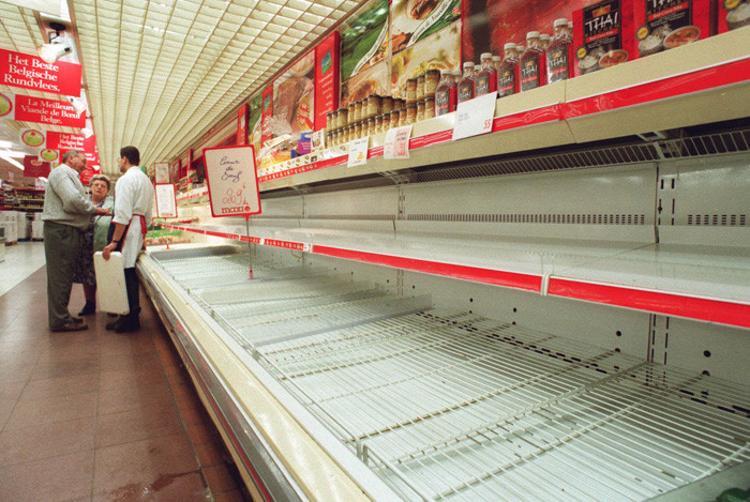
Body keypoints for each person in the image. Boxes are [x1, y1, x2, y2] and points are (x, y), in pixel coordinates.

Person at [42, 150, 111, 332]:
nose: (85, 164)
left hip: (65, 230)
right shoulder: (61, 172)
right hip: (62, 230)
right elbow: (72, 200)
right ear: (71, 158)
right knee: (60, 277)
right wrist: (96, 210)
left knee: (63, 276)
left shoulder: (68, 175)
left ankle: (61, 316)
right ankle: (59, 320)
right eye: (83, 160)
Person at [102, 146, 154, 333]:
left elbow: (122, 213)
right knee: (129, 270)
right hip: (139, 226)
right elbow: (149, 214)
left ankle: (130, 318)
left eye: (119, 159)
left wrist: (115, 241)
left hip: (129, 226)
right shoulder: (146, 181)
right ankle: (131, 315)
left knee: (125, 272)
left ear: (124, 159)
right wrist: (143, 235)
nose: (118, 163)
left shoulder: (125, 180)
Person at [73, 174, 114, 316]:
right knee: (87, 275)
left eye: (103, 186)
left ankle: (110, 305)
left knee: (105, 274)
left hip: (103, 244)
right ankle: (90, 304)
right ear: (90, 187)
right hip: (84, 244)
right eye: (96, 185)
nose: (99, 187)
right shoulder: (83, 202)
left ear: (107, 190)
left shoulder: (112, 204)